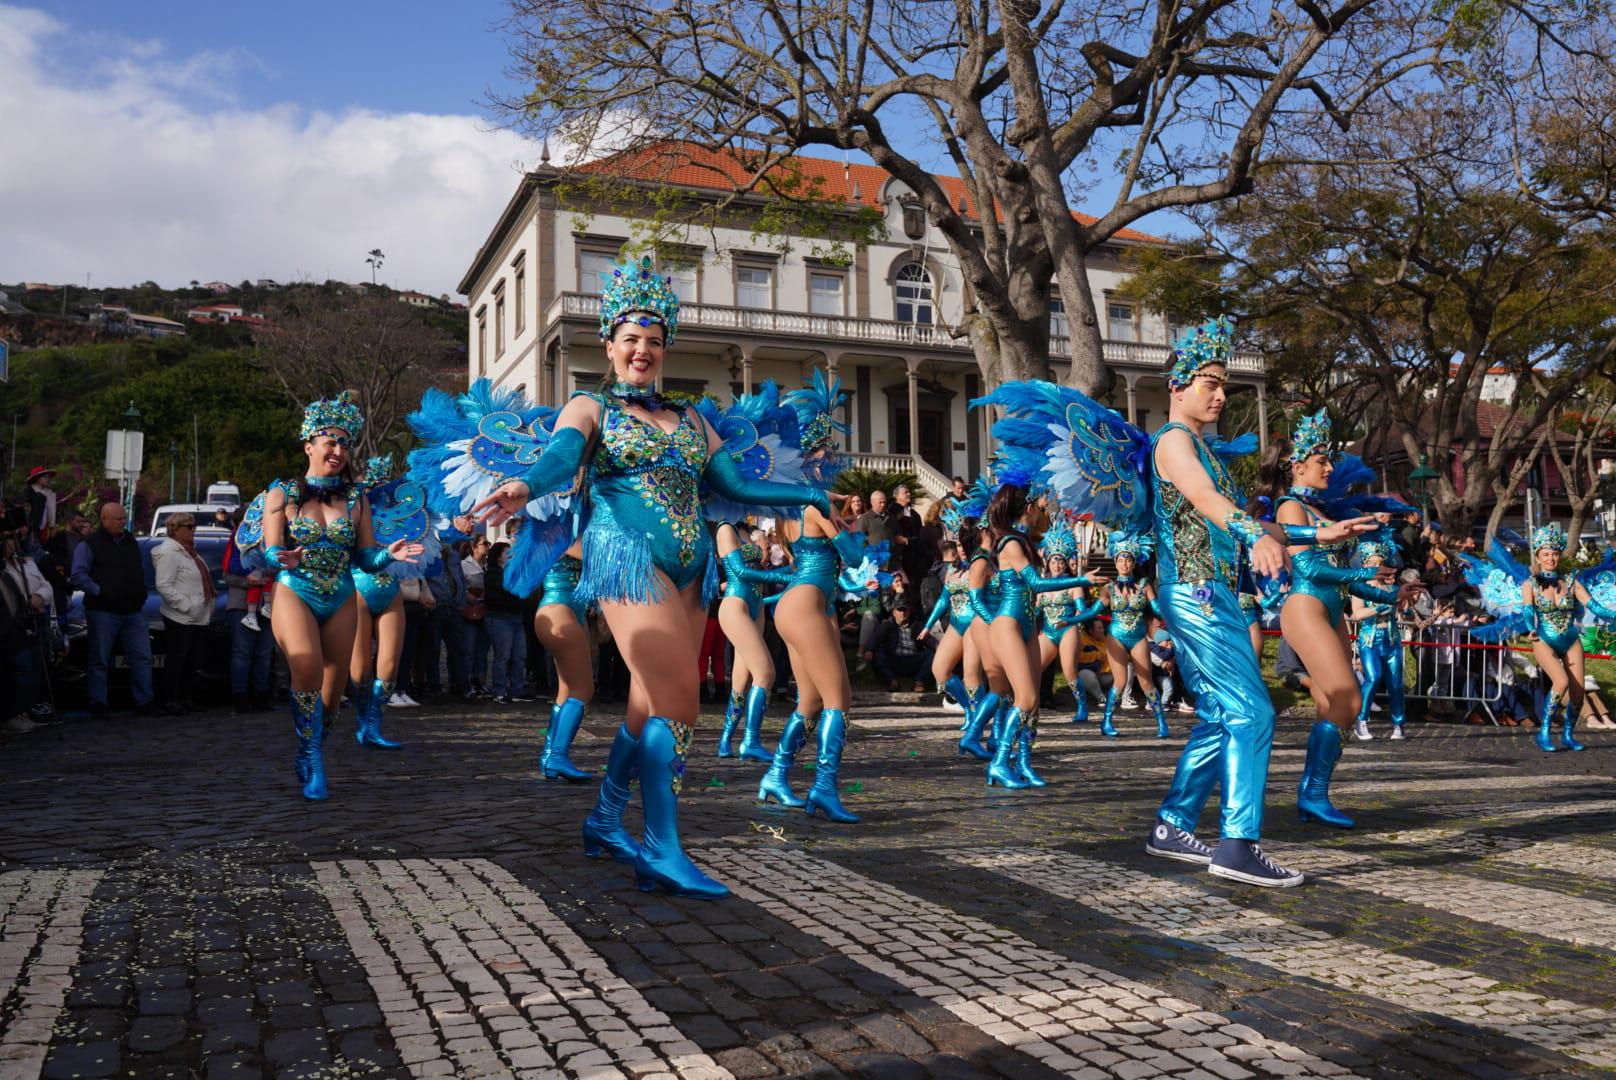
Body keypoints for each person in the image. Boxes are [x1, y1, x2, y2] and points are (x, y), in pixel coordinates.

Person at [468, 256, 829, 899]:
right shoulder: (590, 406)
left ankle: (606, 818)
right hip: (628, 557)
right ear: (608, 345)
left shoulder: (692, 419)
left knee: (645, 705)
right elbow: (561, 457)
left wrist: (804, 491)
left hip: (693, 569)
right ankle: (660, 848)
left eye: (654, 341)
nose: (642, 351)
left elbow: (733, 483)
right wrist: (527, 485)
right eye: (630, 339)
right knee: (679, 699)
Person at [976, 317, 1374, 886]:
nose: (1219, 394)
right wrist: (1256, 534)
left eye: (1224, 385)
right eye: (1209, 382)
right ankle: (1238, 845)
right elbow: (1207, 499)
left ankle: (1173, 822)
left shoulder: (1203, 449)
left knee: (1218, 714)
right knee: (1253, 711)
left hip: (1207, 591)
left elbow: (1236, 516)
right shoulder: (1173, 442)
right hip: (1196, 591)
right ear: (1177, 386)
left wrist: (1316, 535)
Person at [240, 390, 423, 800]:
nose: (338, 451)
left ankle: (313, 745)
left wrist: (387, 555)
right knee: (305, 667)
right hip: (296, 591)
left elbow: (365, 556)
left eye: (344, 443)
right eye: (330, 442)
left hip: (340, 594)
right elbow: (271, 550)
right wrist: (280, 555)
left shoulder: (356, 499)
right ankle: (311, 756)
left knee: (333, 694)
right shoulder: (282, 493)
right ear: (309, 446)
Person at [1263, 412, 1418, 829]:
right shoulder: (1291, 508)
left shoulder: (1319, 510)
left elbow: (1346, 581)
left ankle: (1315, 796)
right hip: (1307, 606)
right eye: (1321, 462)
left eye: (1330, 461)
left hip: (1332, 608)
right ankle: (1311, 794)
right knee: (1348, 697)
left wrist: (1390, 593)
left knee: (1333, 704)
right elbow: (1311, 571)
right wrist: (1364, 573)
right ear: (1297, 467)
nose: (1330, 468)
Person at [756, 369, 879, 823]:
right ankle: (824, 788)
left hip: (803, 603)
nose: (832, 460)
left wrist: (844, 509)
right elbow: (849, 549)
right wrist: (853, 528)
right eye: (825, 453)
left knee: (809, 703)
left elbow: (833, 507)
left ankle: (776, 774)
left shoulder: (795, 499)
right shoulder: (811, 501)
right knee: (838, 700)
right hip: (806, 603)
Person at [970, 485, 1096, 788]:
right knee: (1024, 697)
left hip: (1026, 626)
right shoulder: (1011, 544)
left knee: (1034, 701)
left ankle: (1024, 761)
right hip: (1009, 624)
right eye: (1041, 506)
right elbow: (1037, 585)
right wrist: (1081, 579)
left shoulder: (1023, 542)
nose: (1043, 511)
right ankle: (1000, 762)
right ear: (1027, 508)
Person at [714, 521, 792, 760]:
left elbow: (761, 575)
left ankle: (726, 739)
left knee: (742, 680)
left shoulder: (747, 532)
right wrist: (784, 573)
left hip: (756, 606)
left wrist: (794, 572)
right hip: (735, 606)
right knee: (765, 673)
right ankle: (751, 741)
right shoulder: (724, 529)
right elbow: (740, 572)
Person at [71, 501, 155, 717]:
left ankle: (144, 701)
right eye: (118, 518)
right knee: (99, 659)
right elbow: (78, 575)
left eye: (123, 517)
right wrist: (101, 591)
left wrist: (141, 593)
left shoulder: (130, 542)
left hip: (133, 610)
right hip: (103, 611)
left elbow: (138, 570)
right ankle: (99, 703)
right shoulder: (89, 544)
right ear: (104, 519)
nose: (122, 522)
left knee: (142, 658)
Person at [1097, 533, 1165, 738]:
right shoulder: (1108, 588)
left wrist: (1177, 614)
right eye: (1120, 559)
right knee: (1119, 681)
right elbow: (1094, 612)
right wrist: (1072, 620)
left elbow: (1156, 609)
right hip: (1116, 636)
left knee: (1146, 681)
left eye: (1128, 559)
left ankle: (1162, 722)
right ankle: (1107, 721)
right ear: (1115, 562)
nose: (1124, 563)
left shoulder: (1144, 585)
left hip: (1138, 637)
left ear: (1134, 563)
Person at [151, 512, 216, 715]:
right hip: (180, 616)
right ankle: (170, 699)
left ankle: (186, 697)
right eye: (189, 526)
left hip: (198, 616)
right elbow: (164, 585)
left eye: (194, 526)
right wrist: (187, 605)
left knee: (192, 660)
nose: (193, 529)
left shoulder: (190, 551)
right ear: (175, 529)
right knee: (177, 660)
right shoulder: (169, 552)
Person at [1349, 539, 1409, 741]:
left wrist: (1407, 605)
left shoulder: (1393, 589)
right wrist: (1376, 608)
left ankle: (1399, 724)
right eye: (1372, 563)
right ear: (1365, 565)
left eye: (1379, 562)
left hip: (1392, 641)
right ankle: (1362, 721)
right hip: (1370, 641)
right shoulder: (1359, 587)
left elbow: (1403, 611)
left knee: (1395, 683)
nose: (1376, 566)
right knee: (1373, 678)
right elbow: (1356, 614)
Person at [223, 514, 275, 713]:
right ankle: (240, 696)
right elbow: (228, 574)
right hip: (242, 605)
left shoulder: (271, 539)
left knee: (264, 653)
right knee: (242, 652)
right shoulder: (238, 540)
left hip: (267, 605)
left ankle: (261, 696)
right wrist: (252, 581)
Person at [483, 540, 531, 703]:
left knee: (520, 655)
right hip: (499, 618)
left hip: (516, 618)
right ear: (498, 557)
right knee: (503, 655)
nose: (511, 556)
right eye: (507, 553)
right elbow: (508, 591)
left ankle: (517, 689)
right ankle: (499, 690)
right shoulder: (493, 574)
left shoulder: (513, 572)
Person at [869, 601, 933, 691]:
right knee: (878, 654)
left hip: (913, 660)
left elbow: (929, 640)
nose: (903, 613)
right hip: (895, 659)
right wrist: (869, 649)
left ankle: (919, 682)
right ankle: (892, 681)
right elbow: (876, 637)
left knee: (931, 655)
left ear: (909, 612)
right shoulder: (887, 624)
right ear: (894, 612)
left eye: (905, 610)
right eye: (900, 610)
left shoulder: (917, 625)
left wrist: (940, 649)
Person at [24, 466, 57, 553]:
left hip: (44, 529)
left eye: (48, 477)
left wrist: (52, 525)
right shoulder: (30, 491)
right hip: (31, 529)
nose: (48, 479)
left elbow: (49, 512)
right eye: (45, 477)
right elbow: (27, 511)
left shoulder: (48, 493)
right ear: (38, 479)